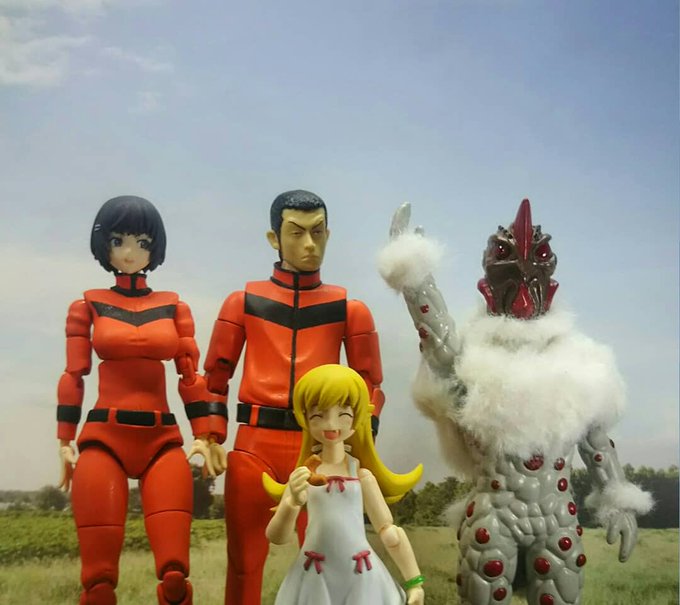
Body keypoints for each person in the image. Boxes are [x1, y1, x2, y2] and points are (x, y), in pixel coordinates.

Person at [378, 199, 654, 605]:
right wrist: (413, 273)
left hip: (556, 517)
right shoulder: (471, 360)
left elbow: (597, 442)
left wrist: (618, 500)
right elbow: (434, 332)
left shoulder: (582, 365)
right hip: (494, 512)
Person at [203, 189, 386, 605]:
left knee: (332, 560)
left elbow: (369, 387)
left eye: (317, 232)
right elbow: (215, 376)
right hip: (254, 446)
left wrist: (361, 439)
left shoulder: (349, 309)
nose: (309, 244)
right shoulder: (243, 302)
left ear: (328, 234)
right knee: (244, 562)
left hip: (320, 447)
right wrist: (210, 434)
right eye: (296, 232)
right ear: (275, 238)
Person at [57, 195, 227, 605]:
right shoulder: (87, 305)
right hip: (104, 438)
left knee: (175, 574)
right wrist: (64, 439)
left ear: (155, 247)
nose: (130, 252)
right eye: (118, 241)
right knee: (97, 581)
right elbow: (74, 374)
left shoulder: (174, 307)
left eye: (142, 242)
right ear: (104, 244)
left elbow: (190, 376)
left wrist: (205, 434)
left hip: (161, 440)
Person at [264, 364, 424, 605]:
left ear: (356, 417)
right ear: (305, 419)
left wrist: (415, 582)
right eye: (318, 415)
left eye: (343, 414)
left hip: (360, 572)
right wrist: (291, 503)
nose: (331, 424)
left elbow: (388, 531)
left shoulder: (362, 476)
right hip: (315, 574)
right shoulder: (303, 476)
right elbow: (278, 537)